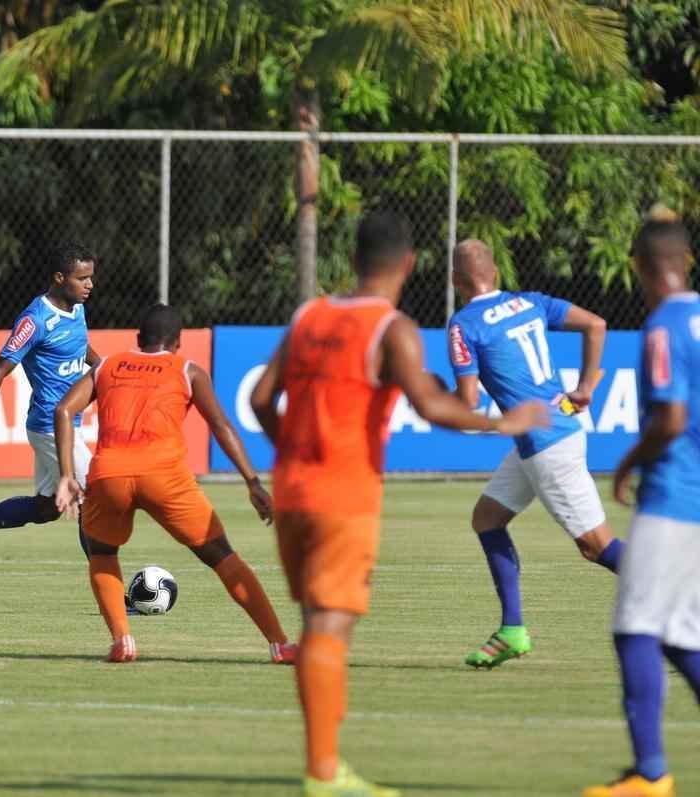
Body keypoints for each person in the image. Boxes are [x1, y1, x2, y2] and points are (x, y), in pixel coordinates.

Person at [250, 212, 548, 797]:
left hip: (292, 490)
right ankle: (323, 771)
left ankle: (327, 766)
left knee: (318, 624)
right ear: (409, 264)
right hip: (342, 495)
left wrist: (291, 447)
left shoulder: (309, 316)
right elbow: (433, 408)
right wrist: (502, 419)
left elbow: (263, 397)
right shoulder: (393, 329)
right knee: (329, 629)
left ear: (354, 259)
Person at [54, 304, 297, 665]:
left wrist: (67, 476)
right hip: (163, 476)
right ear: (178, 342)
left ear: (138, 339)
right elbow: (221, 426)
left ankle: (123, 640)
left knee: (103, 553)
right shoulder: (187, 370)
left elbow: (63, 410)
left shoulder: (107, 365)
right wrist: (252, 482)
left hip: (109, 474)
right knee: (222, 556)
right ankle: (279, 644)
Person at [447, 239, 623, 669]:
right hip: (553, 431)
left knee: (596, 547)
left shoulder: (463, 325)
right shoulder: (530, 302)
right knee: (487, 518)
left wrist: (429, 399)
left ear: (455, 281)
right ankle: (512, 631)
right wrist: (583, 388)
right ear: (496, 274)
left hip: (548, 446)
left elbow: (467, 400)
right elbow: (596, 324)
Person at [583, 209, 700, 797]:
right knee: (680, 635)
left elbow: (672, 418)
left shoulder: (662, 327)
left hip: (674, 497)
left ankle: (650, 774)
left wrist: (627, 463)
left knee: (634, 629)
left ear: (640, 268)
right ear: (686, 262)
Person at [0, 242, 100, 569]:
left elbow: (79, 348)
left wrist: (106, 369)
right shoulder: (35, 319)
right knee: (93, 499)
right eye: (82, 278)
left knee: (45, 509)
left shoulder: (77, 308)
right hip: (52, 425)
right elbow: (0, 369)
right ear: (59, 278)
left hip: (69, 424)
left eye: (91, 277)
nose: (90, 285)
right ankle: (111, 590)